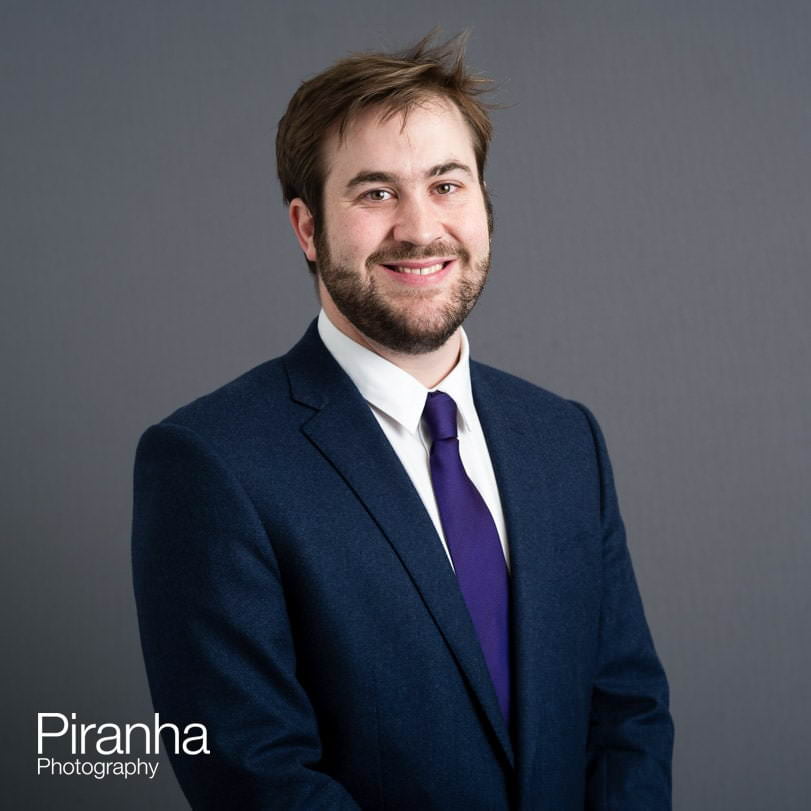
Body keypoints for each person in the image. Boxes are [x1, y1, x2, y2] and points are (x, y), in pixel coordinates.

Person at [132, 32, 673, 810]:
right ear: (307, 228)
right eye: (375, 192)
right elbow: (252, 770)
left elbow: (626, 712)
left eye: (447, 185)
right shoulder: (210, 462)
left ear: (483, 203)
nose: (421, 228)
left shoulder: (563, 439)